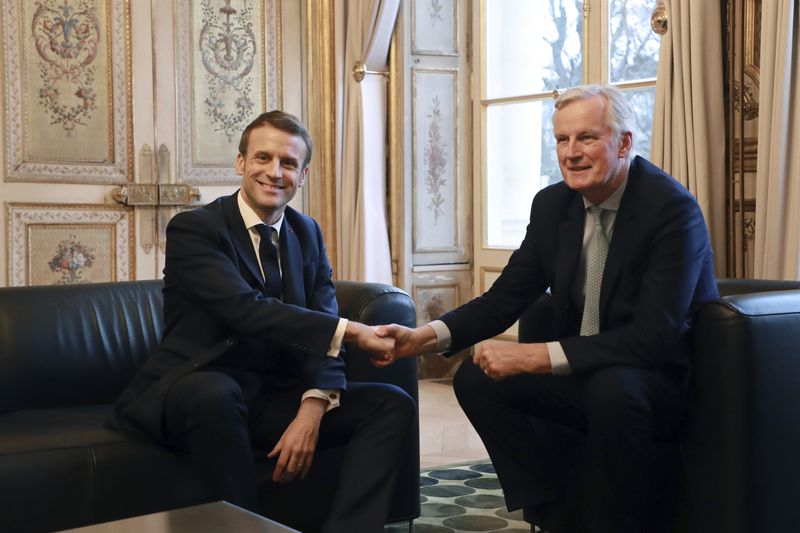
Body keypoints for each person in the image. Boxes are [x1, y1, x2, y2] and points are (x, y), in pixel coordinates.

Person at [375, 85, 718, 533]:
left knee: (611, 389)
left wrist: (536, 356)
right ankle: (552, 511)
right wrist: (424, 337)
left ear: (625, 143)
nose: (571, 153)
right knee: (477, 379)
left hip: (657, 379)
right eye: (561, 140)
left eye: (587, 138)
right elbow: (505, 298)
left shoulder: (671, 210)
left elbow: (652, 338)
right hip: (587, 371)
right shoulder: (553, 204)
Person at [108, 110, 414, 533]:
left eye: (288, 163)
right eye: (263, 158)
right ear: (241, 164)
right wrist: (355, 332)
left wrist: (311, 409)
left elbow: (320, 317)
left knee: (391, 403)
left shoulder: (307, 232)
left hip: (272, 396)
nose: (274, 172)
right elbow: (244, 309)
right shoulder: (195, 229)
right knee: (214, 392)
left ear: (302, 176)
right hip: (198, 387)